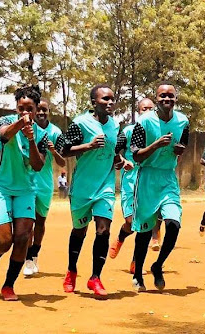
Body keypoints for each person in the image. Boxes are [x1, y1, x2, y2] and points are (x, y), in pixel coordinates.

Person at [57, 84, 128, 298]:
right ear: (94, 103)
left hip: (105, 186)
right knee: (79, 231)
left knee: (103, 231)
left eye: (112, 99)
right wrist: (87, 146)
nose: (109, 102)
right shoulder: (80, 124)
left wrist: (120, 161)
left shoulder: (116, 126)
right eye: (104, 99)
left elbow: (113, 151)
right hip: (82, 188)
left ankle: (95, 277)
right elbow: (64, 151)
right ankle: (71, 270)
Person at [0, 85, 46, 301]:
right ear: (16, 108)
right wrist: (21, 124)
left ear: (37, 109)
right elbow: (4, 136)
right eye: (21, 108)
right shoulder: (6, 121)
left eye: (30, 109)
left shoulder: (42, 135)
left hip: (25, 189)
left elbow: (38, 165)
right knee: (4, 240)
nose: (25, 112)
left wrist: (31, 139)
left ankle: (8, 285)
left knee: (22, 238)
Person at [129, 82, 189, 291]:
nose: (167, 99)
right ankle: (137, 274)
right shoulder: (144, 122)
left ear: (175, 98)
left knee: (173, 224)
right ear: (156, 99)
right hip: (147, 177)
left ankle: (158, 265)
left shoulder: (183, 121)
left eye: (170, 96)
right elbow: (136, 155)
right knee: (144, 232)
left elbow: (183, 144)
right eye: (163, 96)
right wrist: (156, 145)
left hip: (168, 178)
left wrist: (179, 150)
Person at [23, 99, 66, 276]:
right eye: (37, 110)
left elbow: (63, 161)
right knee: (27, 223)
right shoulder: (24, 128)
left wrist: (54, 151)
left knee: (40, 222)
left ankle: (34, 255)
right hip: (25, 181)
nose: (41, 113)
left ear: (49, 112)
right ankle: (26, 259)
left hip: (44, 183)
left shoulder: (55, 132)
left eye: (44, 110)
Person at [108, 97, 150, 275]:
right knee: (131, 222)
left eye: (150, 108)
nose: (146, 111)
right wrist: (123, 161)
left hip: (149, 179)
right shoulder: (128, 131)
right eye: (143, 109)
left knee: (146, 223)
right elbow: (115, 151)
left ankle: (136, 261)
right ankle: (120, 237)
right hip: (130, 178)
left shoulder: (157, 131)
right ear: (138, 112)